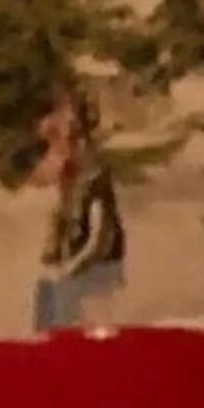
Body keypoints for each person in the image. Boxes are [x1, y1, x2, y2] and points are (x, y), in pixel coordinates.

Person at [30, 88, 125, 335]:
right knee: (47, 311)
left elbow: (99, 238)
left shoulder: (92, 176)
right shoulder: (65, 177)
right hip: (68, 266)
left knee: (79, 330)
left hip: (94, 269)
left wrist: (70, 269)